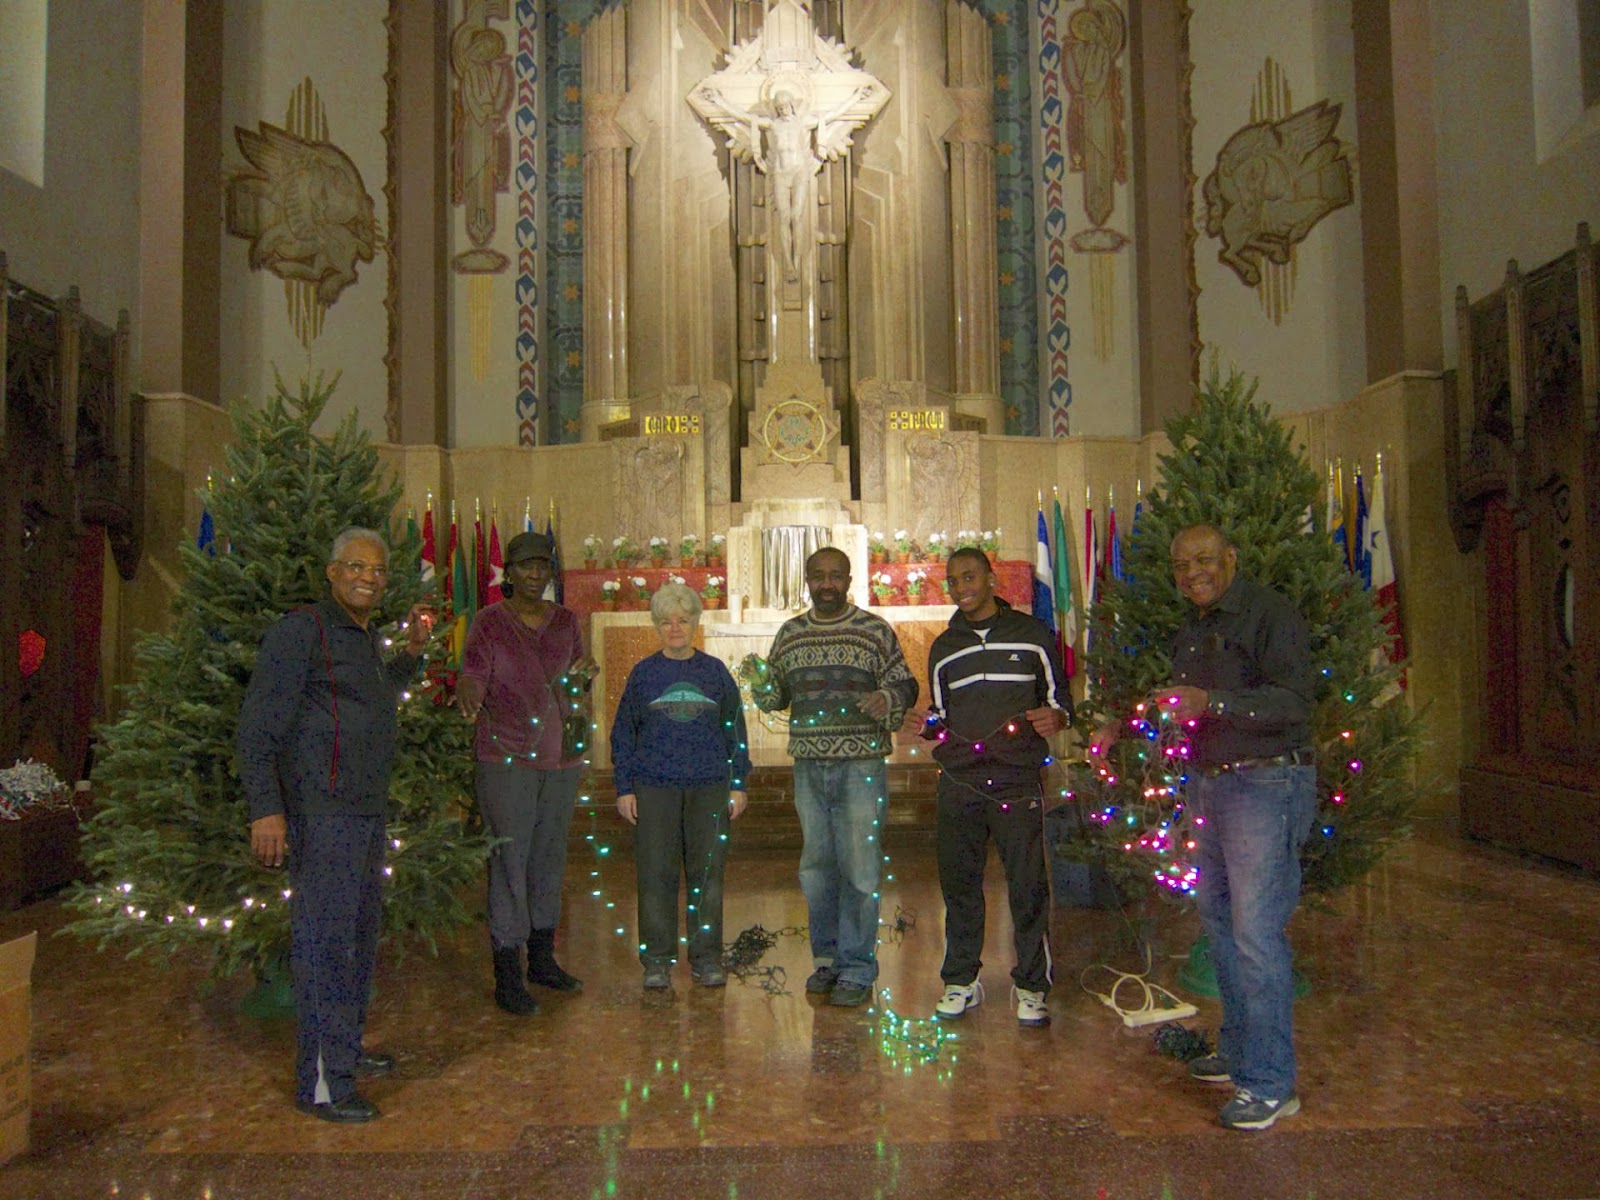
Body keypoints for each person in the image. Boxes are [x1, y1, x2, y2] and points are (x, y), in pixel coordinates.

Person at [1095, 523, 1315, 1131]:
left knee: (1256, 934)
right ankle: (1241, 1049)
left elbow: (1295, 702)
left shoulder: (1270, 614)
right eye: (1180, 564)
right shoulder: (1193, 628)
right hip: (1211, 783)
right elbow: (1181, 698)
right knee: (1220, 923)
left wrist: (1213, 705)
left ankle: (1271, 1084)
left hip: (1266, 784)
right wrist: (1122, 726)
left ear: (1231, 557)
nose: (1192, 572)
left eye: (1204, 560)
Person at [238, 527, 433, 1124]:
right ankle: (324, 1082)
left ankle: (344, 1051)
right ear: (331, 572)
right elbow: (258, 727)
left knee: (357, 940)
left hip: (364, 811)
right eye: (355, 567)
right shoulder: (304, 631)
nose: (368, 578)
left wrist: (413, 654)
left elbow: (369, 698)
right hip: (323, 816)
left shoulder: (363, 637)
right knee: (326, 945)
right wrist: (264, 809)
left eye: (377, 570)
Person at [744, 547, 917, 1007]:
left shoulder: (873, 631)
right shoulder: (791, 634)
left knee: (860, 870)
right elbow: (775, 696)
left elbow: (904, 682)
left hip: (861, 765)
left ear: (849, 579)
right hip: (808, 765)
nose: (827, 584)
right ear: (806, 579)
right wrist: (760, 683)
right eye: (818, 576)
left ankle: (858, 966)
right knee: (817, 869)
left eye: (835, 576)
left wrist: (886, 696)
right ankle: (827, 958)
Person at [923, 547, 1071, 1028]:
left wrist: (1058, 717)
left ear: (991, 579)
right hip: (960, 781)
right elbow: (941, 718)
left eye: (969, 576)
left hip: (1015, 779)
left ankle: (1031, 986)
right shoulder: (945, 647)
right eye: (953, 580)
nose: (961, 585)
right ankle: (961, 980)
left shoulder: (1033, 637)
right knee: (960, 886)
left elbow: (1059, 702)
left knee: (1027, 886)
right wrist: (924, 725)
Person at [458, 530, 596, 1015]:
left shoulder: (565, 621)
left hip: (560, 757)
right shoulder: (489, 623)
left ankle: (542, 959)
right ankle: (507, 973)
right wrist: (469, 694)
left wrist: (585, 675)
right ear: (509, 573)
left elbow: (579, 671)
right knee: (510, 863)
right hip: (507, 756)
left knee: (549, 860)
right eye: (526, 567)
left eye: (543, 567)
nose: (535, 575)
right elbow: (473, 672)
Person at [611, 583, 751, 990]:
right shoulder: (643, 674)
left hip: (709, 786)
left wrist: (738, 783)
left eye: (683, 620)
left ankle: (707, 958)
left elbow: (735, 731)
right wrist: (625, 787)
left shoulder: (714, 673)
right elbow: (623, 734)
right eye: (666, 621)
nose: (675, 628)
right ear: (656, 625)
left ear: (695, 624)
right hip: (654, 787)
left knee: (707, 878)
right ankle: (656, 959)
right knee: (656, 877)